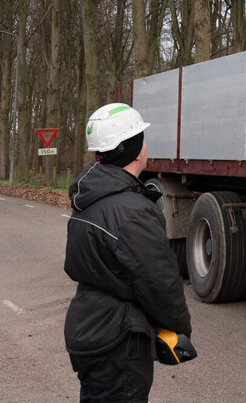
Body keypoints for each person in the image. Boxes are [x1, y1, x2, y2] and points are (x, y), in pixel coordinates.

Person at [64, 103, 192, 403]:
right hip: (118, 342)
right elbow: (160, 281)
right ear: (134, 148)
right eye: (141, 137)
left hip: (88, 328)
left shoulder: (88, 199)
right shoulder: (133, 211)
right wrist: (180, 329)